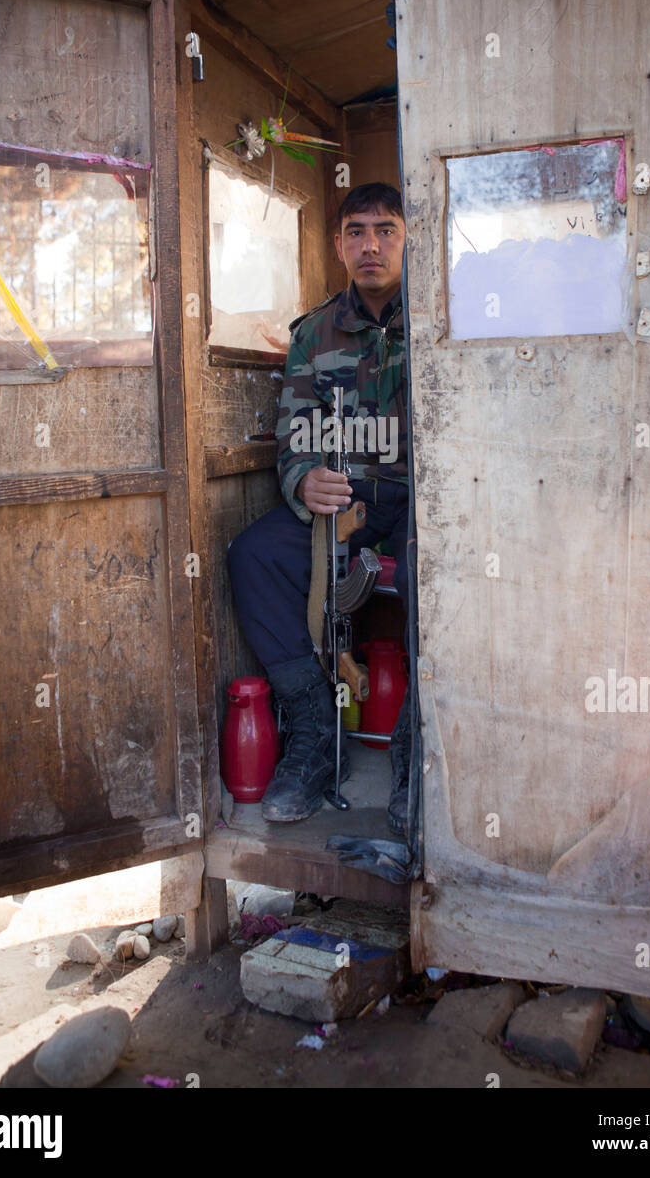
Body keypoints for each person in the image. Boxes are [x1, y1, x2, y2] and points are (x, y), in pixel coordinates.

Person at [227, 182, 412, 833]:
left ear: (408, 236)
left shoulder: (445, 318)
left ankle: (419, 751)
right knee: (253, 556)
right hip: (346, 503)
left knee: (432, 576)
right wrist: (305, 480)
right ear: (338, 245)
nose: (371, 244)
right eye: (357, 231)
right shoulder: (316, 333)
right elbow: (295, 431)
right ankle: (316, 734)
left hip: (429, 505)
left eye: (386, 229)